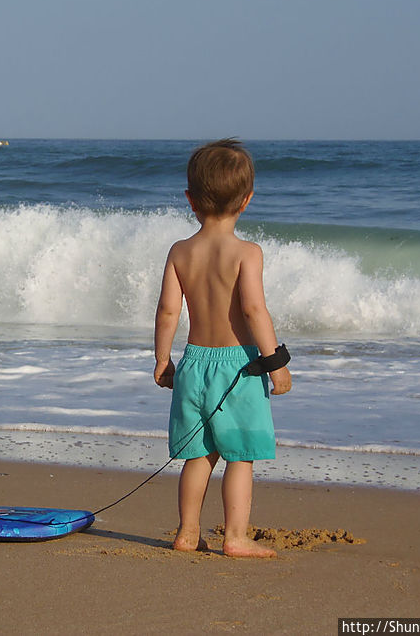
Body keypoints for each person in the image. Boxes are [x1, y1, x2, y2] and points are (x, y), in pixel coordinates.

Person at [153, 138, 291, 558]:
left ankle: (187, 532)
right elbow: (253, 310)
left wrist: (163, 358)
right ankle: (234, 537)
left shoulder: (180, 251)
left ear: (190, 200)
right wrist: (276, 363)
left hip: (194, 363)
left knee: (198, 456)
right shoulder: (247, 253)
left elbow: (167, 312)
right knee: (239, 456)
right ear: (247, 200)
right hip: (239, 370)